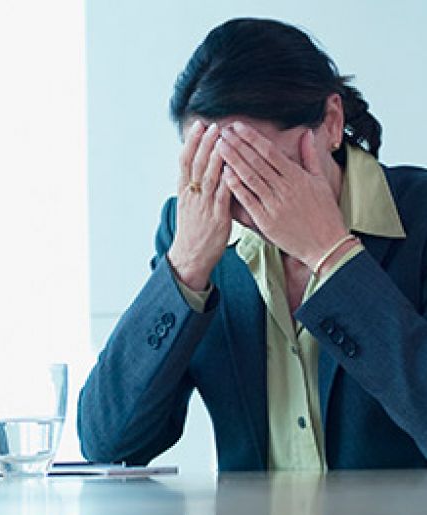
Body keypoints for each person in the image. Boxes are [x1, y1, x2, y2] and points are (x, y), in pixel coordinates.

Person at [77, 17, 427, 471]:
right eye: (218, 172)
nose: (246, 200)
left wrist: (333, 255)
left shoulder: (418, 214)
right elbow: (107, 443)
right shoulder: (190, 228)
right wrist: (184, 267)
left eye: (266, 171)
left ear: (332, 123)